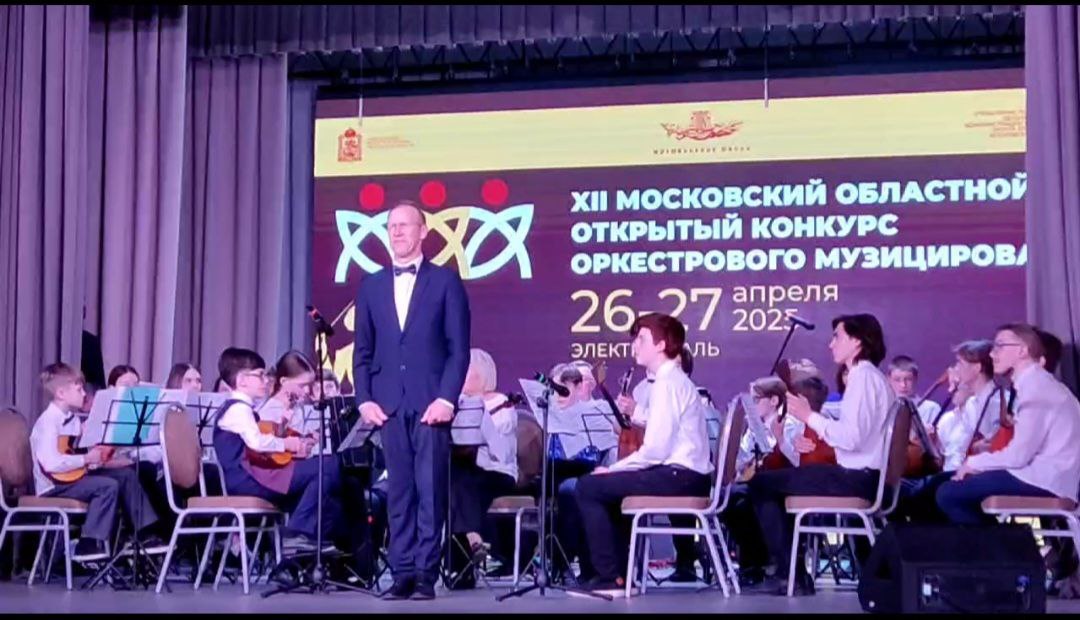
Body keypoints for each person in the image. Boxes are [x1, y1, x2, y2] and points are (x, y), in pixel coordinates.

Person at [353, 200, 471, 601]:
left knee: (430, 491)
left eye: (405, 225)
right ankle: (401, 572)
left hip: (431, 404)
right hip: (388, 404)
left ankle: (425, 574)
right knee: (398, 492)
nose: (397, 232)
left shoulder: (445, 282)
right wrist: (364, 398)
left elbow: (458, 349)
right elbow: (362, 351)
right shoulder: (370, 286)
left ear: (423, 232)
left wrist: (447, 399)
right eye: (392, 226)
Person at [747, 313, 895, 596]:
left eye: (837, 336)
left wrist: (809, 416)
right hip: (863, 475)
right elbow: (858, 434)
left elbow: (851, 438)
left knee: (761, 483)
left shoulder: (863, 377)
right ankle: (792, 572)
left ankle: (788, 574)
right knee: (777, 481)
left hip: (857, 478)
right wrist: (817, 433)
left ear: (857, 342)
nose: (830, 344)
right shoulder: (871, 377)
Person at [574, 313, 713, 597]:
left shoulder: (666, 383)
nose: (634, 345)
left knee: (589, 486)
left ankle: (610, 578)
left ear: (661, 345)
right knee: (605, 489)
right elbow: (664, 426)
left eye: (641, 339)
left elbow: (655, 451)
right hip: (687, 474)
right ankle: (621, 576)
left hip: (681, 475)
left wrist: (614, 469)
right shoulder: (671, 380)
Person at [936, 323, 1080, 525]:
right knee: (945, 485)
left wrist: (973, 463)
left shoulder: (1037, 389)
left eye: (1000, 346)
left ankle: (1004, 545)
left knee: (948, 493)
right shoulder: (1035, 384)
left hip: (1045, 479)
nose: (992, 354)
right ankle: (1004, 542)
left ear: (1022, 351)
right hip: (1041, 475)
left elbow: (1018, 456)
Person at [212, 347, 341, 551]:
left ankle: (302, 540)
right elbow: (256, 443)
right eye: (260, 375)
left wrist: (284, 433)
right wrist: (286, 443)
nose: (265, 380)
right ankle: (295, 534)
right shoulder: (238, 409)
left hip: (255, 475)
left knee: (326, 478)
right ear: (242, 380)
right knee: (328, 465)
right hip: (248, 479)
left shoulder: (243, 408)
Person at [30, 363, 164, 560]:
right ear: (61, 393)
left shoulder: (73, 420)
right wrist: (86, 458)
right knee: (106, 486)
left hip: (72, 477)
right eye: (79, 389)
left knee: (126, 475)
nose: (84, 394)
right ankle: (89, 542)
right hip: (53, 485)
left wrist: (98, 455)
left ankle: (143, 533)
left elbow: (75, 453)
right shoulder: (48, 422)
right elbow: (51, 464)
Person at [445, 348, 518, 589]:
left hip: (498, 471)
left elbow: (501, 449)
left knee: (460, 482)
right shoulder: (455, 403)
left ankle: (461, 564)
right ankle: (471, 541)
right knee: (454, 477)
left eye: (465, 370)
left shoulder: (502, 404)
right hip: (467, 472)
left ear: (481, 373)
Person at [887, 356, 941, 426]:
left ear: (915, 378)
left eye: (908, 379)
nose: (903, 385)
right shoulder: (884, 409)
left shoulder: (931, 408)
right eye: (897, 380)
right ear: (888, 379)